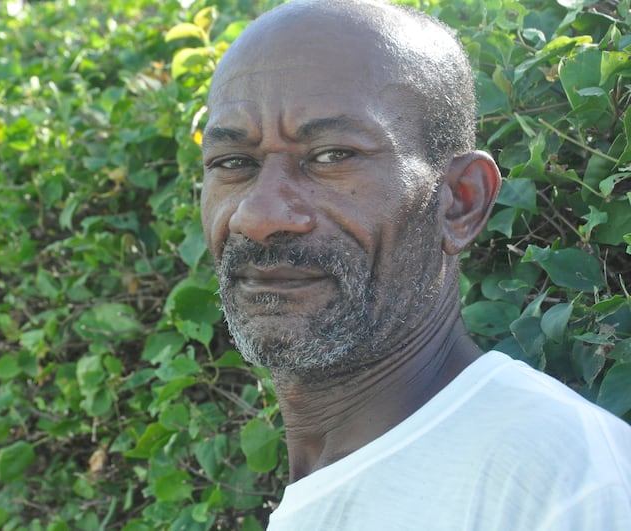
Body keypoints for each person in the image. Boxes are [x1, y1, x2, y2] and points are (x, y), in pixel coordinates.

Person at [198, 0, 631, 528]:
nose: (258, 216)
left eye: (332, 155)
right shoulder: (326, 486)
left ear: (460, 201)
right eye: (232, 163)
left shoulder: (566, 488)